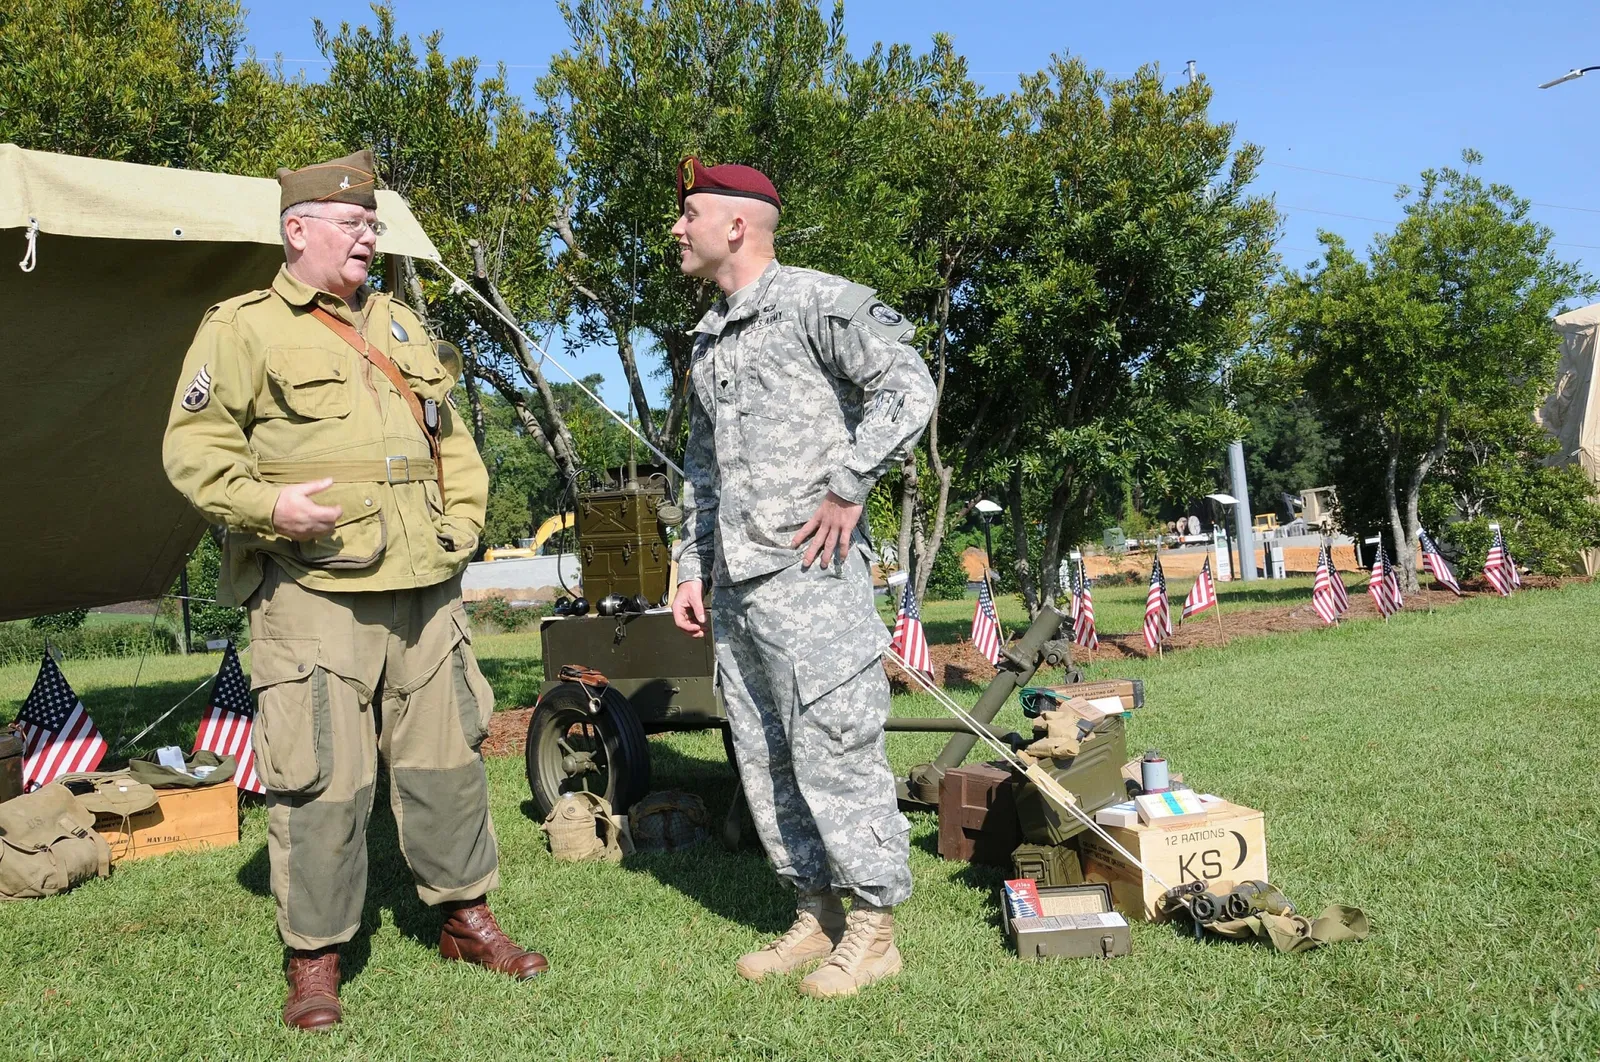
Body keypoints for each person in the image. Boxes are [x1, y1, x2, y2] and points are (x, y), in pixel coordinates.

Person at [162, 149, 546, 1032]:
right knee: (321, 780)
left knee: (449, 765)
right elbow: (193, 449)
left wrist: (463, 527)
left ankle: (464, 918)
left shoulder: (402, 325)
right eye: (353, 223)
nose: (370, 234)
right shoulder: (243, 326)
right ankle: (316, 959)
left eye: (373, 223)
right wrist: (267, 505)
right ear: (298, 231)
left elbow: (452, 443)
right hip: (312, 593)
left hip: (424, 589)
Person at [668, 156, 936, 998]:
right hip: (738, 585)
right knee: (764, 752)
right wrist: (689, 566)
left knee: (833, 743)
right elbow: (701, 470)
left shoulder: (819, 302)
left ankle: (873, 927)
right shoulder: (711, 338)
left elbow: (909, 387)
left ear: (736, 226)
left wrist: (850, 483)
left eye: (689, 216)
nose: (677, 230)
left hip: (811, 578)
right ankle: (815, 910)